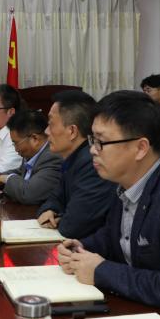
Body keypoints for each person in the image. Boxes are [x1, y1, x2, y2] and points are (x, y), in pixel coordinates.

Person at [57, 90, 160, 310]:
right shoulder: (126, 179)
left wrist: (101, 271)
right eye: (92, 140)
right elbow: (116, 236)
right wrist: (81, 247)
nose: (93, 150)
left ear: (141, 148)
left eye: (101, 141)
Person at [35, 90, 114, 238]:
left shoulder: (93, 163)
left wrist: (60, 218)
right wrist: (49, 210)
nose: (46, 131)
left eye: (51, 124)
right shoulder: (72, 158)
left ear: (72, 131)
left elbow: (73, 227)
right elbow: (54, 198)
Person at [0, 109, 61, 206]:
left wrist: (7, 179)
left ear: (34, 139)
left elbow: (29, 194)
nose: (15, 149)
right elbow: (19, 172)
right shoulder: (31, 154)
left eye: (16, 143)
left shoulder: (52, 158)